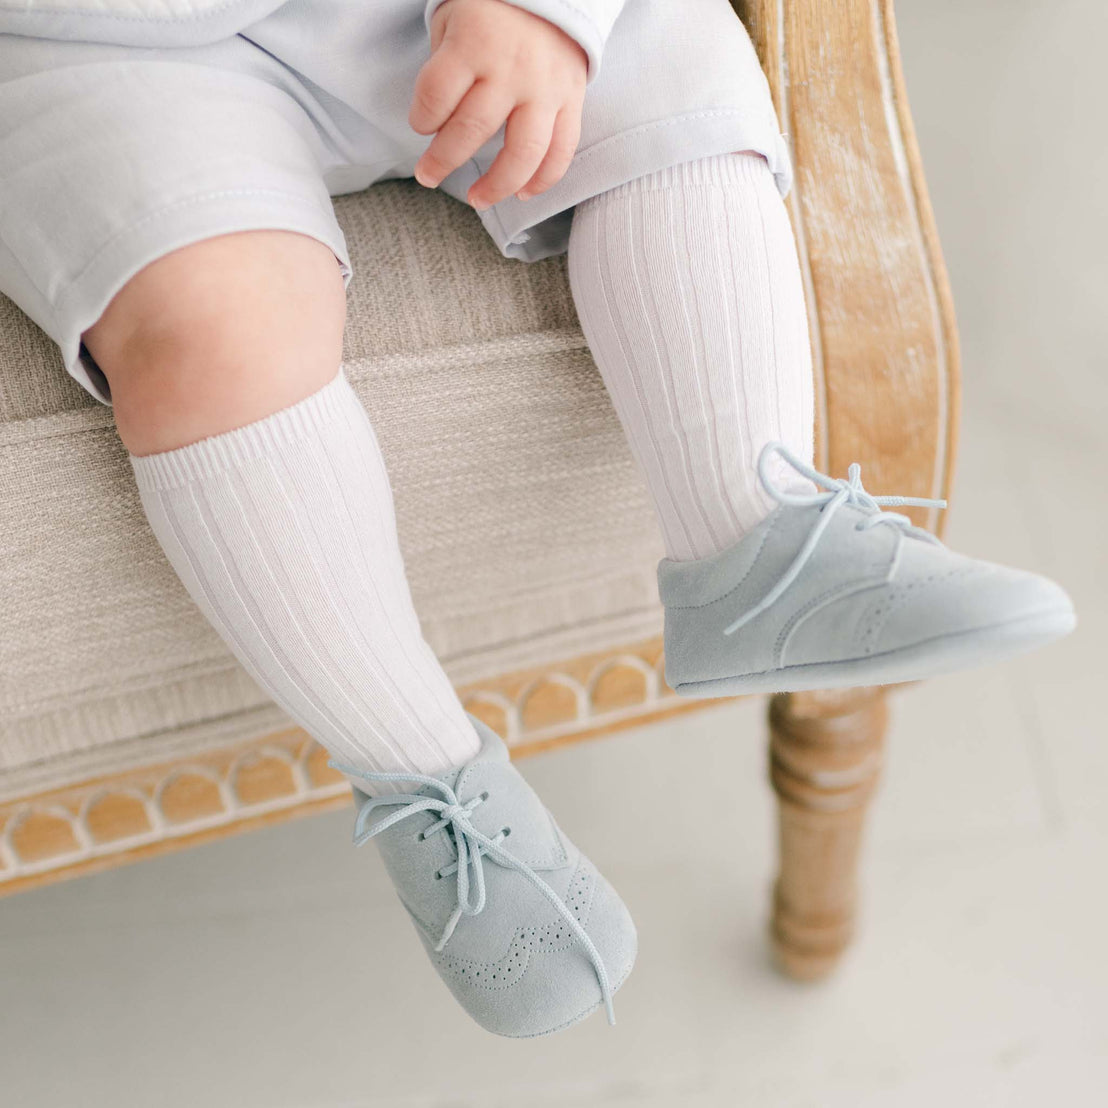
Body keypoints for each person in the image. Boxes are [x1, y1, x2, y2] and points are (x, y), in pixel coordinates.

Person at [0, 0, 1074, 1037]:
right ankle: (431, 784)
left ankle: (754, 537)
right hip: (89, 49)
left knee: (665, 66)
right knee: (214, 327)